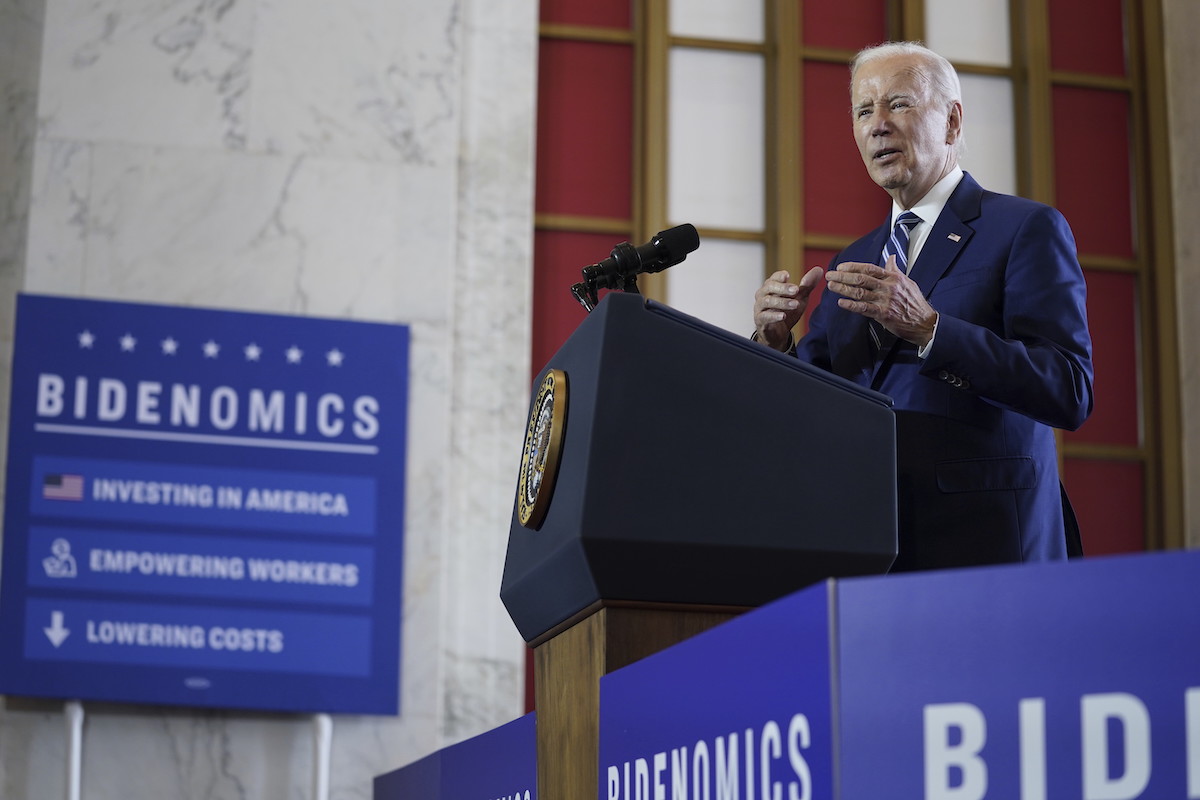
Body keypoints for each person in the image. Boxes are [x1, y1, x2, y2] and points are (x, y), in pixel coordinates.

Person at [752, 41, 1093, 571]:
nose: (877, 125)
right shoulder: (855, 258)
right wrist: (774, 342)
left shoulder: (1024, 228)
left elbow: (1067, 388)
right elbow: (813, 402)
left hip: (989, 547)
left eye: (899, 103)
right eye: (864, 111)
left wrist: (930, 328)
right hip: (874, 548)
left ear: (952, 122)